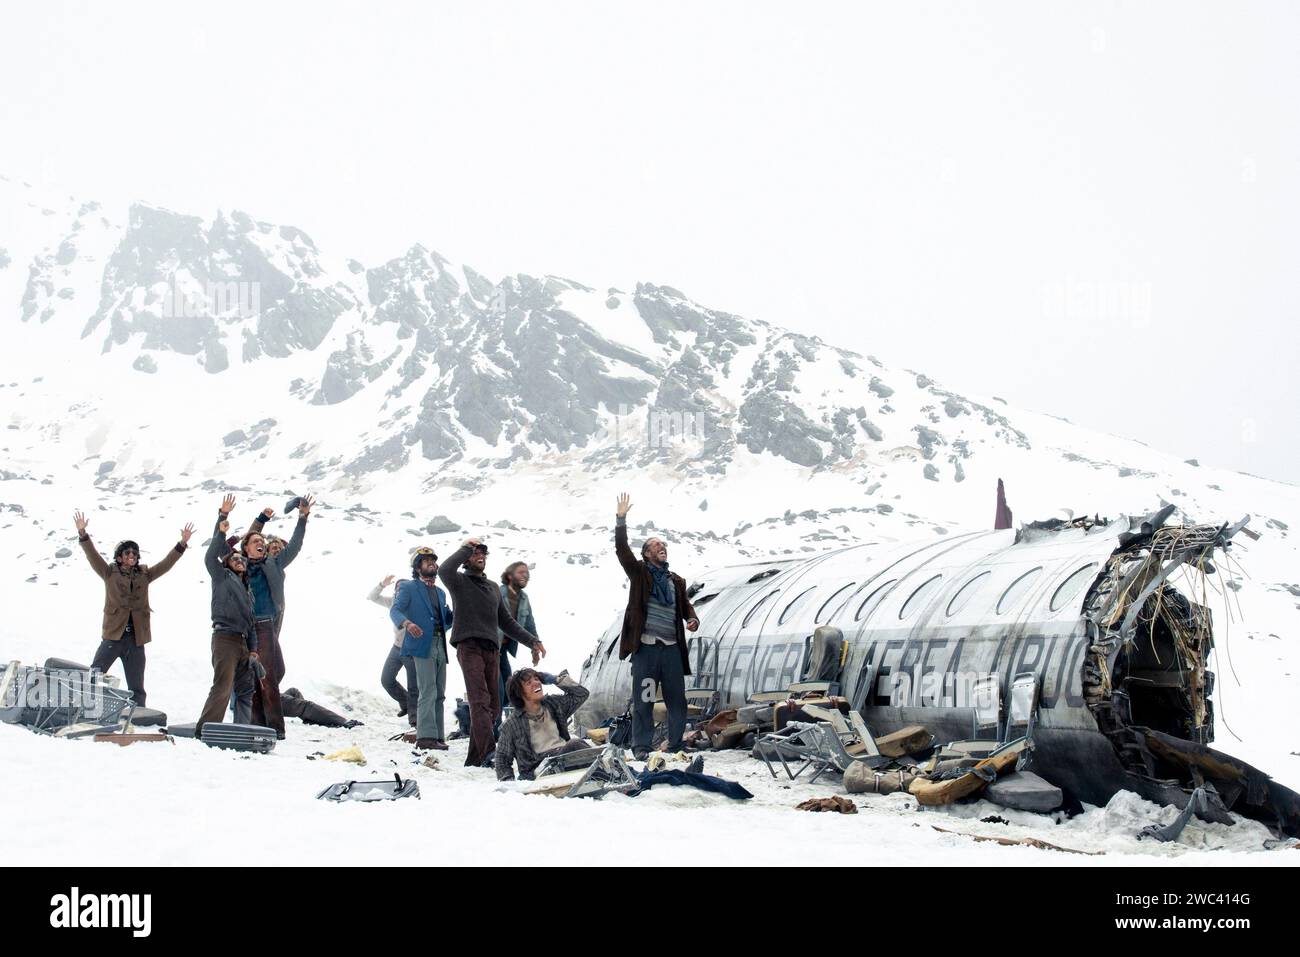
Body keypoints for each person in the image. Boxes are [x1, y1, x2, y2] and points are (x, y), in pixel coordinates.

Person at [439, 538, 546, 767]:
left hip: (492, 650)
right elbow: (445, 569)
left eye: (483, 554)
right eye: (476, 553)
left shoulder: (492, 589)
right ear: (467, 559)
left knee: (495, 706)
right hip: (469, 646)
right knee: (480, 701)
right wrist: (466, 547)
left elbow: (506, 621)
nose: (481, 556)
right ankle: (489, 752)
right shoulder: (458, 581)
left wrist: (532, 641)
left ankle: (475, 758)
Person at [73, 509, 194, 708]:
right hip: (114, 635)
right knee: (95, 673)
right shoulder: (109, 572)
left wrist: (181, 544)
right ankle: (82, 708)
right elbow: (92, 555)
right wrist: (83, 534)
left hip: (136, 639)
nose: (132, 555)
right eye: (127, 552)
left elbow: (166, 564)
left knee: (137, 685)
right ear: (119, 557)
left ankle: (138, 717)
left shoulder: (144, 575)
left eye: (135, 553)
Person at [613, 493, 699, 760]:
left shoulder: (676, 580)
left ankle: (675, 744)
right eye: (655, 545)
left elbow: (684, 606)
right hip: (647, 650)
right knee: (645, 700)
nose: (662, 547)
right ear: (647, 554)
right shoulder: (639, 573)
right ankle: (641, 747)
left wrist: (692, 618)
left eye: (664, 544)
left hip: (671, 651)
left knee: (677, 700)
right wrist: (621, 520)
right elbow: (622, 550)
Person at [238, 495, 313, 738]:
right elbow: (244, 539)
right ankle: (275, 728)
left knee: (275, 671)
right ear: (247, 548)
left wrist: (302, 518)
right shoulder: (239, 565)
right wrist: (260, 521)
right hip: (252, 625)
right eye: (256, 541)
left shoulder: (274, 563)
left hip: (268, 624)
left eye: (262, 541)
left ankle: (258, 719)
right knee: (268, 675)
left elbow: (295, 546)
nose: (260, 543)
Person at [197, 496, 258, 734]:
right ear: (227, 564)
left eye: (241, 558)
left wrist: (253, 649)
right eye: (234, 558)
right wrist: (222, 521)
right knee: (222, 685)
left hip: (243, 641)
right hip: (224, 638)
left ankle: (242, 729)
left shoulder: (247, 590)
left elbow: (251, 623)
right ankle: (206, 728)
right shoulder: (221, 577)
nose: (239, 560)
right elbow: (210, 556)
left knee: (245, 688)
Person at [390, 547, 454, 750]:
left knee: (440, 692)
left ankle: (438, 736)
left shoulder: (441, 592)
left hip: (439, 644)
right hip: (421, 645)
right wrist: (408, 624)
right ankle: (425, 738)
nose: (431, 563)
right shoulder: (409, 587)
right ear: (418, 567)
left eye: (433, 560)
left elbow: (446, 621)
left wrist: (456, 614)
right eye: (426, 561)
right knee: (428, 690)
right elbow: (395, 610)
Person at [494, 669, 591, 781]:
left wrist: (556, 679)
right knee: (575, 744)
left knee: (585, 748)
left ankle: (605, 774)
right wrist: (509, 782)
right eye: (528, 683)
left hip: (564, 757)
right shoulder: (511, 724)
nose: (536, 683)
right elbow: (502, 759)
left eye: (537, 679)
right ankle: (608, 775)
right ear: (519, 693)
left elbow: (582, 694)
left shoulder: (553, 705)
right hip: (540, 771)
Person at [495, 560, 540, 735]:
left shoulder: (524, 598)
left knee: (509, 687)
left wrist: (535, 645)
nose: (525, 575)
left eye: (527, 572)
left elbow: (529, 624)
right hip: (491, 647)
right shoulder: (497, 592)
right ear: (509, 576)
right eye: (521, 572)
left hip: (504, 650)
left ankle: (509, 726)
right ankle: (495, 730)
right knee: (497, 688)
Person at [370, 574, 418, 725]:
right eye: (397, 588)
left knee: (413, 686)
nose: (400, 590)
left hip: (412, 650)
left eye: (403, 588)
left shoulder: (415, 604)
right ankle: (405, 703)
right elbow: (372, 597)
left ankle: (415, 719)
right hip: (396, 648)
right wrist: (382, 584)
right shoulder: (392, 602)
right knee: (386, 679)